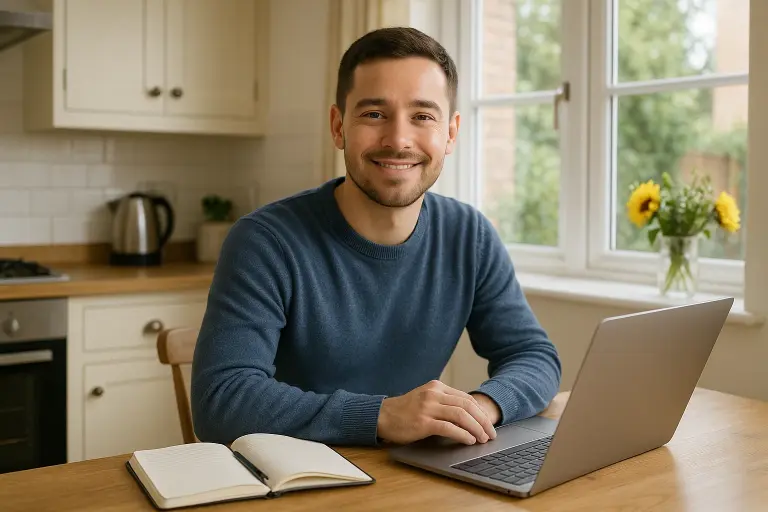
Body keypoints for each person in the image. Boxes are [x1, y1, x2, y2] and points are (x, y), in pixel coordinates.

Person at [191, 26, 561, 448]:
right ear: (338, 126)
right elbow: (220, 401)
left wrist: (478, 408)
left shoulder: (470, 235)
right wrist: (382, 415)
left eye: (422, 116)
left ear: (451, 134)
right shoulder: (265, 241)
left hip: (412, 478)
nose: (398, 140)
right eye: (373, 114)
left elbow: (534, 357)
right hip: (296, 480)